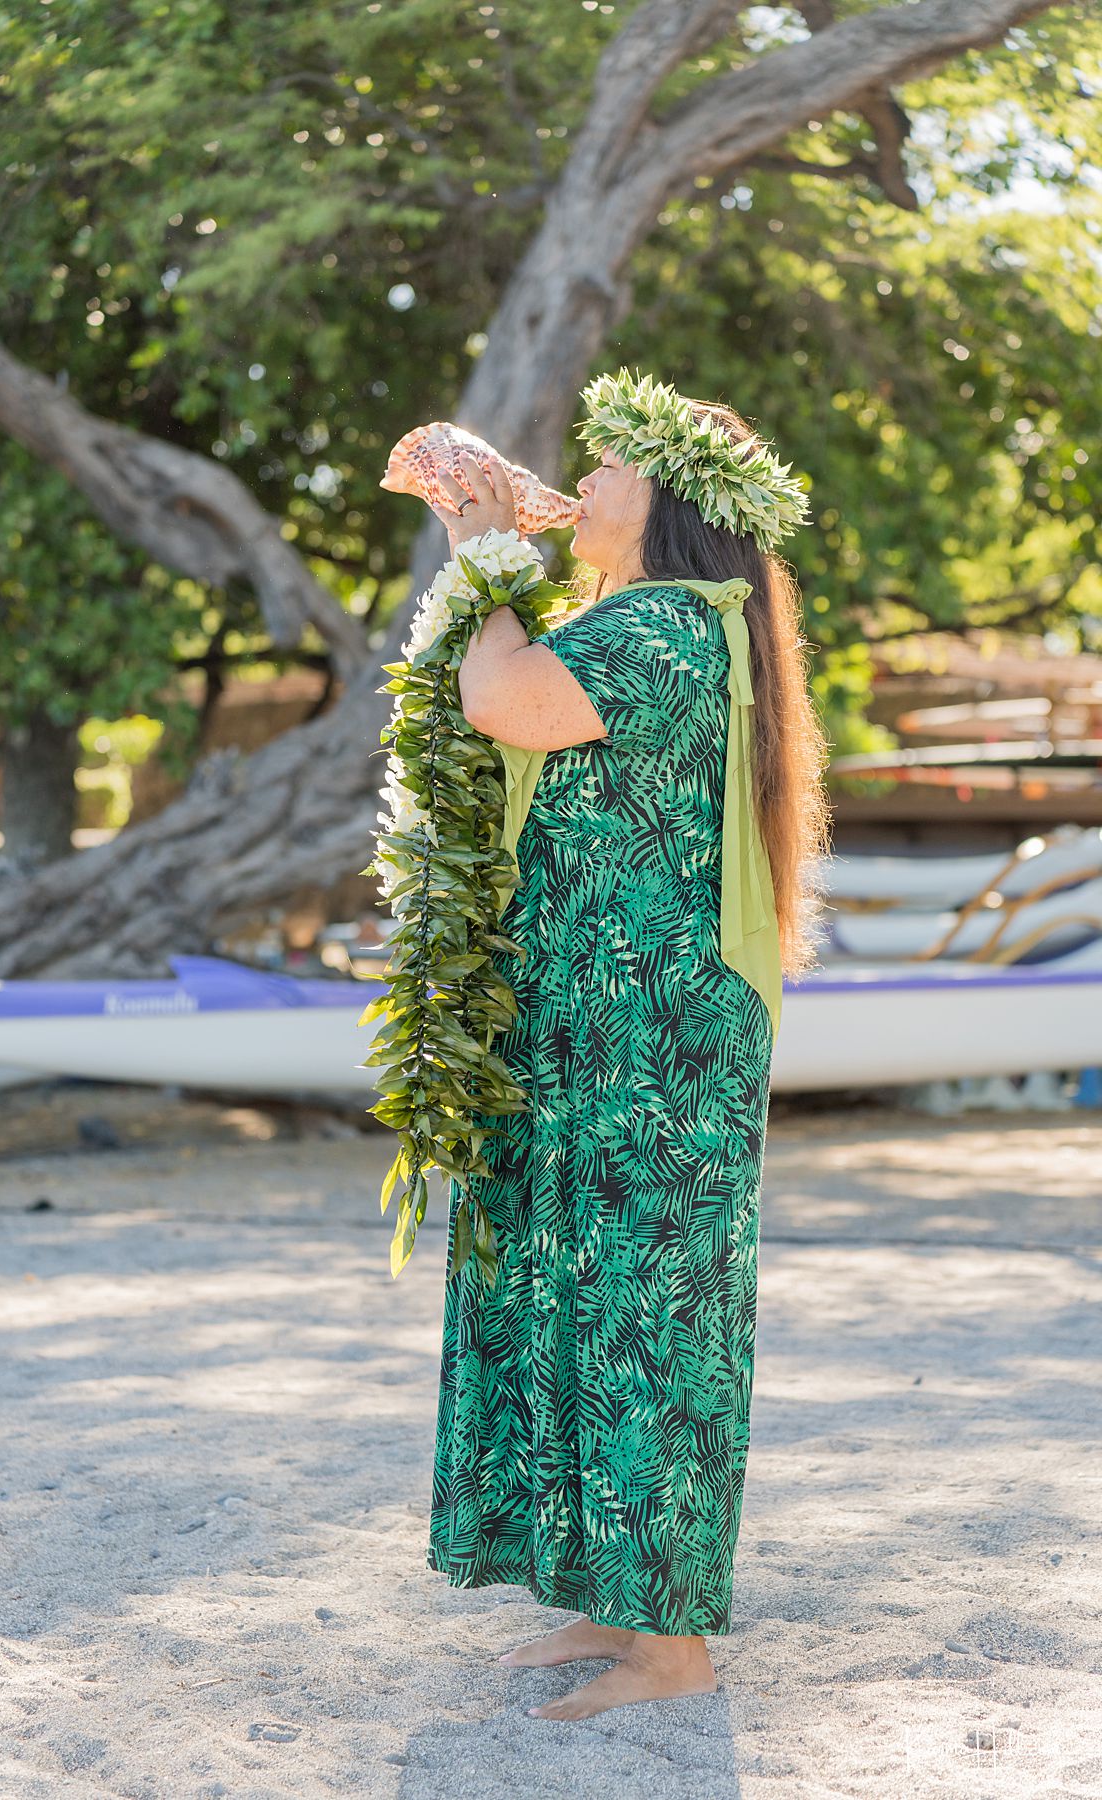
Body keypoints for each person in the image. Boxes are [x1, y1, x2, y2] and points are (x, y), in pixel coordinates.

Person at [424, 368, 832, 1721]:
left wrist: (484, 559)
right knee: (594, 1303)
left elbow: (508, 702)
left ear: (667, 504)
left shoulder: (665, 625)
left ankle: (672, 1646)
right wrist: (494, 564)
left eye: (607, 468)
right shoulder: (641, 618)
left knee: (650, 1312)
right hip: (604, 1028)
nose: (582, 483)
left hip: (650, 1042)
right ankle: (613, 1600)